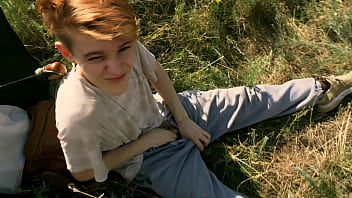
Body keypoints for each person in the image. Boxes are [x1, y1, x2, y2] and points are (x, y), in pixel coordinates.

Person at [37, 0, 352, 197]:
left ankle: (323, 90)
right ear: (67, 54)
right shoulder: (76, 114)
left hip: (172, 112)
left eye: (124, 48)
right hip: (146, 159)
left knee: (253, 98)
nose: (117, 66)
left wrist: (184, 119)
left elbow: (155, 72)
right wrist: (149, 143)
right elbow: (84, 174)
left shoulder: (116, 44)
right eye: (96, 58)